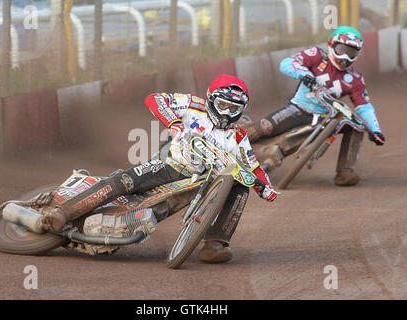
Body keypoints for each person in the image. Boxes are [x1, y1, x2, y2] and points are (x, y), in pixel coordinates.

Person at [43, 74, 279, 264]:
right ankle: (63, 213)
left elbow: (252, 166)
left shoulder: (238, 135)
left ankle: (214, 244)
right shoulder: (193, 104)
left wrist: (266, 188)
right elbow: (155, 99)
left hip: (199, 183)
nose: (227, 112)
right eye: (223, 105)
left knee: (240, 186)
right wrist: (174, 123)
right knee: (125, 180)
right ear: (210, 99)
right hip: (172, 164)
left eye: (234, 108)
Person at [242, 26, 385, 186]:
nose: (345, 56)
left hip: (325, 118)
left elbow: (364, 106)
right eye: (342, 49)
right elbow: (288, 63)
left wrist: (375, 129)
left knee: (356, 126)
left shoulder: (355, 79)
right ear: (331, 45)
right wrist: (304, 73)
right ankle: (228, 138)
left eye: (351, 52)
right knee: (266, 127)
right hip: (298, 108)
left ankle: (345, 172)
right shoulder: (317, 55)